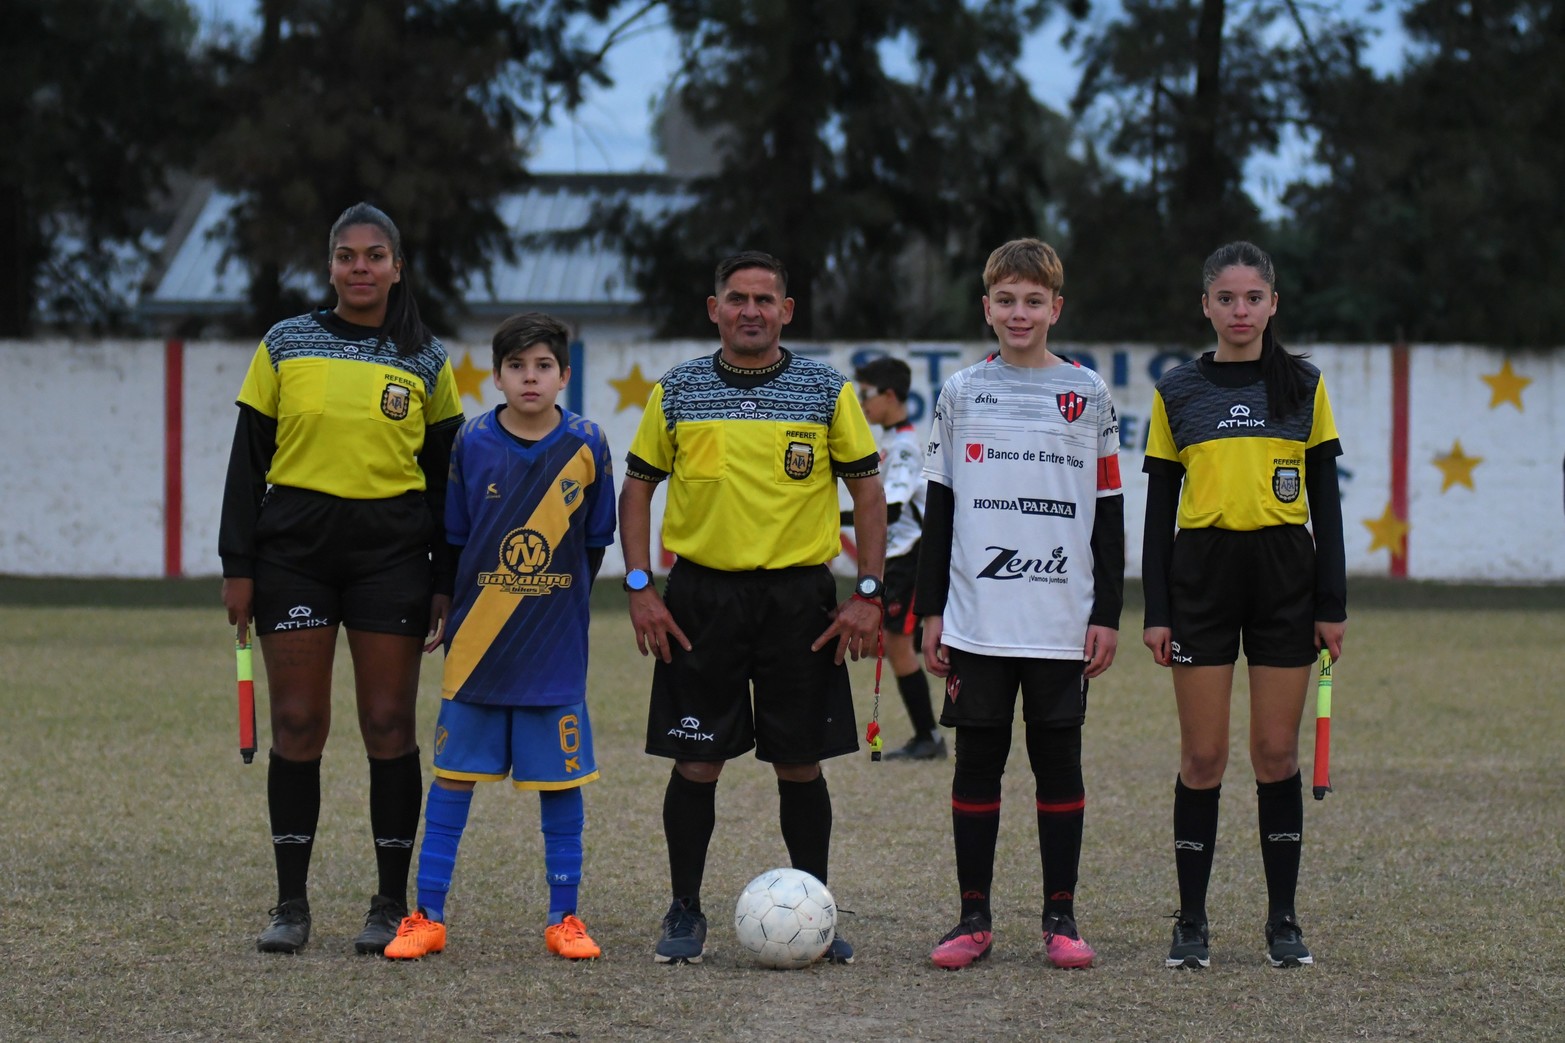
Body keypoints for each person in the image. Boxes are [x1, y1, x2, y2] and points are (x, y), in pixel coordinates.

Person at [619, 250, 887, 966]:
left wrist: (867, 591)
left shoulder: (825, 390)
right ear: (713, 309)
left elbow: (865, 493)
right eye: (735, 298)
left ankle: (815, 908)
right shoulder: (675, 390)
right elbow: (638, 487)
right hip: (700, 597)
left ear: (786, 311)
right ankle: (683, 908)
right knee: (696, 762)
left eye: (764, 299)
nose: (749, 310)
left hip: (800, 599)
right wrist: (640, 585)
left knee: (799, 763)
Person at [220, 202, 463, 955]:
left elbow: (444, 482)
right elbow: (247, 460)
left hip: (391, 558)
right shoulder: (286, 342)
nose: (360, 267)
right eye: (347, 255)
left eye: (374, 255)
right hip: (293, 554)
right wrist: (238, 564)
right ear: (329, 266)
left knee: (388, 725)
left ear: (395, 267)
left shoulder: (425, 358)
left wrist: (444, 580)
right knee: (299, 726)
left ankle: (389, 904)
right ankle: (291, 903)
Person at [917, 238, 1124, 971]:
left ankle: (1059, 920)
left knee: (1057, 765)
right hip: (978, 619)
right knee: (975, 764)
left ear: (1054, 308)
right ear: (986, 307)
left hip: (1061, 621)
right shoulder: (961, 392)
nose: (1018, 312)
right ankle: (972, 918)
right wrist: (929, 608)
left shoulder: (1088, 395)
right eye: (1005, 299)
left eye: (1032, 300)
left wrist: (1106, 615)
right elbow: (938, 509)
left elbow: (1106, 509)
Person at [383, 313, 616, 962]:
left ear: (564, 374)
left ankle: (564, 916)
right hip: (477, 647)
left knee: (560, 786)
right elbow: (455, 541)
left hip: (553, 650)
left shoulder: (588, 444)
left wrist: (551, 599)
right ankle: (426, 914)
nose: (530, 377)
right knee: (452, 780)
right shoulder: (471, 443)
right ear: (497, 375)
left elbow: (593, 546)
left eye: (543, 366)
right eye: (516, 366)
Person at [1141, 241, 1346, 970]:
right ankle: (1191, 921)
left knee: (1274, 752)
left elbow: (1325, 497)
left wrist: (1332, 602)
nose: (1238, 310)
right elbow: (1158, 505)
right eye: (1224, 298)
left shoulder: (1304, 385)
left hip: (1284, 577)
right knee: (1202, 756)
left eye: (1251, 298)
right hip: (1200, 576)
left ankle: (1281, 920)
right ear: (1205, 305)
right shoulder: (1176, 390)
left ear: (1272, 304)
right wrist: (1155, 609)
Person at [844, 356, 943, 761]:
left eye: (865, 395)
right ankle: (928, 735)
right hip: (898, 559)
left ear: (888, 395)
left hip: (907, 558)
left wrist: (827, 518)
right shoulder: (891, 441)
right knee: (890, 643)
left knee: (897, 646)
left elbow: (895, 510)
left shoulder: (902, 447)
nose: (862, 404)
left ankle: (928, 737)